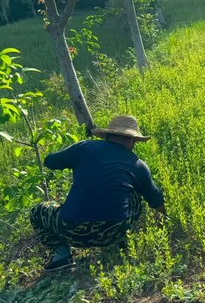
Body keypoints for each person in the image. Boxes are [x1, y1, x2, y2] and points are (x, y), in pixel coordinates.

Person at [29, 115, 165, 271]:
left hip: (72, 231)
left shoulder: (83, 148)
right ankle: (119, 243)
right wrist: (167, 220)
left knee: (37, 211)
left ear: (107, 136)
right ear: (133, 141)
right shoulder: (139, 165)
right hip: (114, 230)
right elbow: (156, 201)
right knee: (134, 194)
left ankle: (61, 255)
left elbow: (50, 162)